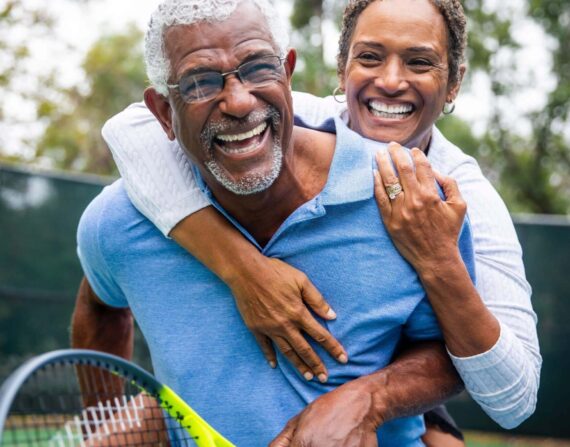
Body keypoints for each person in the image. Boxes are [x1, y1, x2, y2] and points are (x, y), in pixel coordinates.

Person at [99, 0, 541, 443]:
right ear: (341, 69)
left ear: (453, 84)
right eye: (369, 57)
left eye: (420, 62)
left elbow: (512, 399)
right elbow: (129, 130)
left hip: (406, 384)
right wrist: (244, 270)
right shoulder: (280, 116)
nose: (389, 81)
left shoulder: (464, 197)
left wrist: (437, 262)